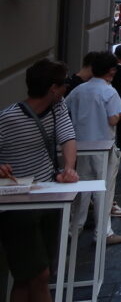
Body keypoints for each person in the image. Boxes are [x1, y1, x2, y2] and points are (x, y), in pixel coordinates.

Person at [0, 59, 80, 302]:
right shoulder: (8, 118)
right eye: (64, 83)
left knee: (29, 277)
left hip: (47, 197)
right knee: (40, 274)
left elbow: (67, 137)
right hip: (18, 207)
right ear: (52, 88)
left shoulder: (58, 108)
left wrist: (69, 168)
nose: (67, 87)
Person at [65, 52, 121, 246]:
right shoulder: (109, 91)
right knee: (104, 190)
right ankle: (103, 232)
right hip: (103, 146)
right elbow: (112, 118)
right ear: (111, 71)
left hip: (80, 146)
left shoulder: (78, 91)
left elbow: (66, 113)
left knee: (81, 190)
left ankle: (74, 228)